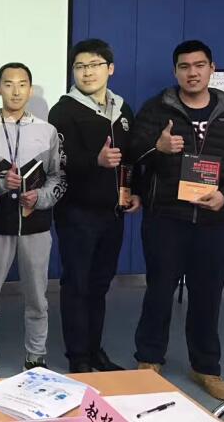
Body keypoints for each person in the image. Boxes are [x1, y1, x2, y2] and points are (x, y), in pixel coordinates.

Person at [132, 40, 224, 400]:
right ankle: (149, 360)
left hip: (215, 222)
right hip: (166, 219)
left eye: (199, 65)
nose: (192, 73)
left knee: (207, 297)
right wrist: (157, 148)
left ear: (212, 68)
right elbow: (133, 153)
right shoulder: (156, 109)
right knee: (158, 293)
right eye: (184, 66)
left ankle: (206, 367)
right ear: (175, 71)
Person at [48, 38, 141, 373]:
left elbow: (130, 157)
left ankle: (94, 349)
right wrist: (95, 161)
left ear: (110, 69)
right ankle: (78, 357)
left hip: (113, 213)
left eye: (94, 65)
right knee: (77, 284)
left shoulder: (122, 110)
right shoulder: (63, 110)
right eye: (80, 66)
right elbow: (59, 161)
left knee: (100, 284)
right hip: (77, 212)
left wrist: (134, 191)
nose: (86, 72)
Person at [0, 63, 66, 378]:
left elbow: (57, 176)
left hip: (36, 227)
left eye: (22, 84)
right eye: (8, 84)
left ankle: (36, 356)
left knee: (38, 299)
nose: (15, 91)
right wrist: (1, 184)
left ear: (30, 88)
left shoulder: (47, 130)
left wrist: (41, 197)